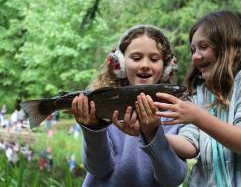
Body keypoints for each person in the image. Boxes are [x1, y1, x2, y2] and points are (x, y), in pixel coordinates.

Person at [153, 10, 241, 186]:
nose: (195, 56)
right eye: (193, 50)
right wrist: (152, 132)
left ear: (229, 45)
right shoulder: (200, 92)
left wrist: (198, 116)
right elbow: (190, 145)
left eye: (203, 47)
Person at [71, 25, 187, 187]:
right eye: (136, 57)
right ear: (120, 63)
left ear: (167, 67)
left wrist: (153, 133)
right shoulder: (105, 105)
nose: (145, 64)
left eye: (154, 59)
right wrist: (93, 130)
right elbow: (98, 169)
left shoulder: (176, 113)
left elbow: (172, 179)